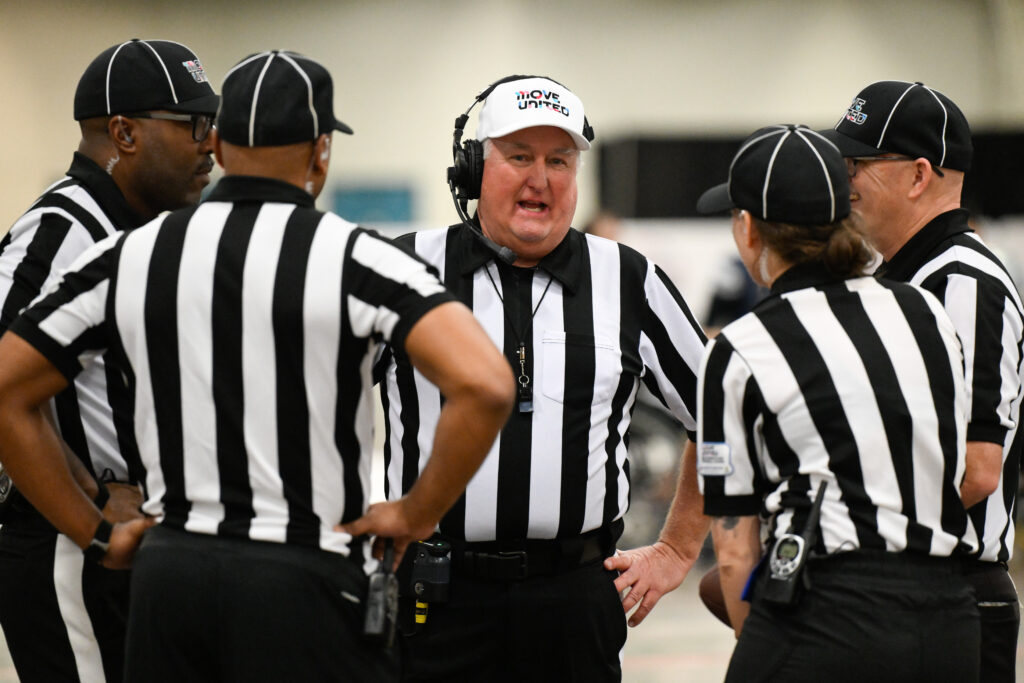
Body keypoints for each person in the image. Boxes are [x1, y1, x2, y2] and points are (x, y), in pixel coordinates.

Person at [0, 50, 514, 683]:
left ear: (217, 143)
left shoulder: (130, 255)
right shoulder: (355, 256)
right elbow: (487, 384)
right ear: (320, 152)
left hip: (171, 578)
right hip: (304, 577)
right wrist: (415, 512)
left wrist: (97, 537)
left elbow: (6, 390)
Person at [376, 75, 708, 682]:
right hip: (435, 600)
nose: (541, 179)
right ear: (473, 168)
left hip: (573, 603)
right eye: (519, 156)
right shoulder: (405, 270)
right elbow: (315, 397)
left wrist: (678, 549)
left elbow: (726, 418)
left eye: (559, 160)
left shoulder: (630, 281)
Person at [696, 124, 980, 682]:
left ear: (749, 230)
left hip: (830, 609)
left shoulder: (741, 347)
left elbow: (734, 553)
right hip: (949, 617)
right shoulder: (926, 312)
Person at [0, 38, 219, 683]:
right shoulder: (61, 231)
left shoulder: (145, 233)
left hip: (138, 544)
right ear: (123, 133)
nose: (211, 144)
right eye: (193, 126)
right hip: (72, 547)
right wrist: (93, 509)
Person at [823, 81, 1023, 682]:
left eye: (859, 164)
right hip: (898, 588)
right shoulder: (893, 280)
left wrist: (842, 536)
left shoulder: (965, 281)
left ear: (917, 175)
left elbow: (975, 469)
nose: (846, 180)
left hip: (946, 593)